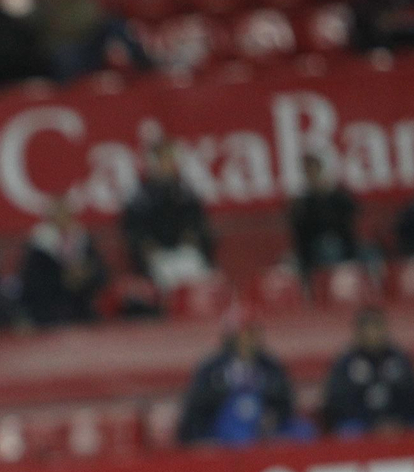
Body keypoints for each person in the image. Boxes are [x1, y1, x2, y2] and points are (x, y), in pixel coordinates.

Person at [178, 323, 300, 446]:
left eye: (251, 335)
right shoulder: (212, 369)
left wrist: (274, 417)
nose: (247, 341)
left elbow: (285, 402)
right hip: (221, 435)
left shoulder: (270, 366)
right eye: (242, 336)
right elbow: (196, 409)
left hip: (262, 434)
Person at [122, 140, 215, 294]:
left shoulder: (184, 192)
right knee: (168, 278)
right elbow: (134, 230)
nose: (169, 164)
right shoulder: (140, 197)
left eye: (171, 159)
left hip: (185, 253)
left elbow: (197, 223)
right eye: (164, 159)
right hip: (157, 257)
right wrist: (147, 247)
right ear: (153, 163)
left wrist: (192, 239)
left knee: (197, 272)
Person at [321, 307, 414, 434]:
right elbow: (338, 402)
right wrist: (372, 424)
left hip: (398, 422)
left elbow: (412, 394)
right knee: (348, 431)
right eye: (368, 329)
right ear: (358, 333)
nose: (373, 334)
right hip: (360, 424)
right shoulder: (345, 363)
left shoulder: (399, 359)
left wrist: (396, 420)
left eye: (377, 328)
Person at [18, 198, 107, 326]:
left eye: (66, 213)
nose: (64, 218)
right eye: (59, 214)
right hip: (50, 310)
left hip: (81, 306)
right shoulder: (40, 244)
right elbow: (32, 283)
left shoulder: (81, 238)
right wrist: (64, 279)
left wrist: (86, 275)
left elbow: (101, 271)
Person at [289, 153, 359, 276]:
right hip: (312, 249)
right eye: (309, 172)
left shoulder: (337, 194)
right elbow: (302, 230)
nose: (313, 175)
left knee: (370, 254)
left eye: (315, 170)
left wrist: (328, 194)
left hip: (344, 243)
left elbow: (352, 213)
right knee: (327, 248)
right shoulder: (304, 201)